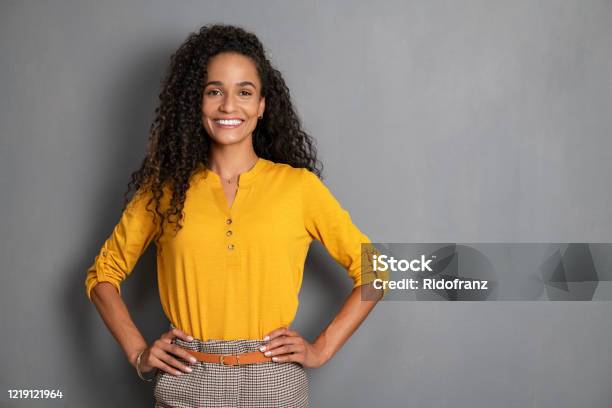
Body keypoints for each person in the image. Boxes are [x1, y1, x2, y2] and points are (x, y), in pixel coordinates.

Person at [84, 23, 388, 407]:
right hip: (187, 383)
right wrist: (138, 353)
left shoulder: (298, 187)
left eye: (244, 92)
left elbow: (374, 269)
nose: (229, 106)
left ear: (261, 106)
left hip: (275, 385)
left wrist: (321, 349)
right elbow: (102, 276)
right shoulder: (164, 190)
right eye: (214, 92)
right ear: (196, 103)